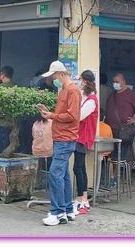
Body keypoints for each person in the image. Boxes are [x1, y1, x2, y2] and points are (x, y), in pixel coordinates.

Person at [38, 61, 81, 226]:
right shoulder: (65, 89)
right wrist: (50, 112)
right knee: (63, 175)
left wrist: (51, 116)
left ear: (61, 75)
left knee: (56, 174)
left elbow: (71, 115)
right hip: (62, 138)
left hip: (65, 138)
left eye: (54, 76)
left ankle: (57, 212)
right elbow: (65, 113)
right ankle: (67, 209)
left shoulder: (72, 90)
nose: (52, 80)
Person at [104, 73, 135, 187]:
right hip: (111, 129)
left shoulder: (130, 94)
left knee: (127, 153)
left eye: (117, 81)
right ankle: (113, 178)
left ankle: (127, 177)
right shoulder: (112, 95)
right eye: (113, 81)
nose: (114, 84)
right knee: (112, 154)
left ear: (123, 82)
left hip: (124, 129)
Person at [73, 70, 99, 215]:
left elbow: (80, 116)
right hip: (79, 136)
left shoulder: (91, 101)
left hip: (83, 137)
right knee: (80, 167)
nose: (79, 82)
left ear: (85, 82)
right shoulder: (85, 97)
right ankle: (83, 199)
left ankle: (81, 200)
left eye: (81, 80)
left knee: (78, 168)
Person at [0, 65, 15, 154]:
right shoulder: (16, 88)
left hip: (1, 123)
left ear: (2, 75)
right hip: (13, 123)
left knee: (2, 148)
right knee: (12, 147)